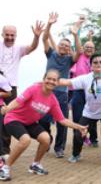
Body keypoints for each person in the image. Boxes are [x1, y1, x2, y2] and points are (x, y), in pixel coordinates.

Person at [0, 69, 87, 181]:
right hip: (13, 118)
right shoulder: (34, 89)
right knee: (25, 140)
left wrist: (79, 127)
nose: (51, 81)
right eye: (49, 78)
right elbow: (18, 101)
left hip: (29, 123)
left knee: (46, 139)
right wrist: (8, 108)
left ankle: (35, 165)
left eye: (54, 80)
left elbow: (62, 120)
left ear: (57, 83)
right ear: (44, 79)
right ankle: (5, 168)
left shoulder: (53, 100)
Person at [0, 7, 44, 159]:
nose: (9, 37)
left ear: (15, 36)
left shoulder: (19, 49)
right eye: (7, 34)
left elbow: (33, 47)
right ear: (2, 35)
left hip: (10, 88)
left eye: (12, 35)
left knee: (6, 119)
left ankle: (4, 152)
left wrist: (36, 36)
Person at [40, 12, 81, 158]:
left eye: (66, 46)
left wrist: (75, 35)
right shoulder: (50, 53)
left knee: (62, 122)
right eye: (62, 45)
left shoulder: (70, 60)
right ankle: (47, 139)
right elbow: (44, 38)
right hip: (45, 93)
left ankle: (59, 147)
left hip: (62, 94)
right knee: (43, 120)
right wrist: (49, 24)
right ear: (58, 46)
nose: (64, 47)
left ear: (69, 49)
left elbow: (79, 52)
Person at [70, 30, 99, 147]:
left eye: (91, 48)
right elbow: (81, 47)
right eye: (86, 47)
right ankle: (79, 137)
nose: (89, 49)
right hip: (78, 91)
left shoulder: (96, 59)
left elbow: (90, 47)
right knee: (77, 115)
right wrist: (76, 34)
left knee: (92, 115)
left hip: (92, 90)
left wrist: (90, 38)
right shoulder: (80, 56)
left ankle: (94, 138)